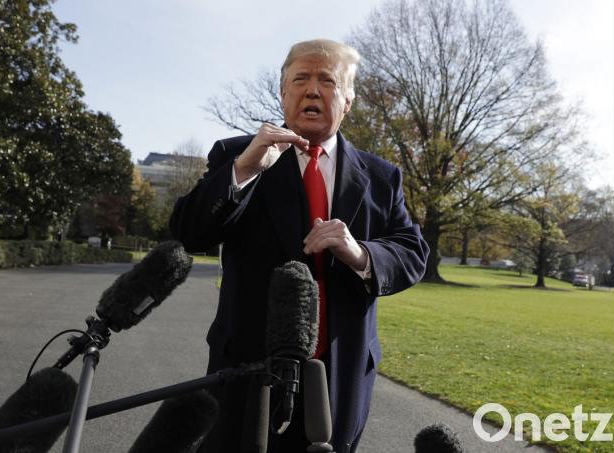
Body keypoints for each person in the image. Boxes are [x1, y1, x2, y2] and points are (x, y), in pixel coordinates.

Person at [170, 38, 429, 453]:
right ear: (283, 92)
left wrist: (360, 253)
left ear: (347, 100)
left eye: (327, 80)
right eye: (300, 79)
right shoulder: (239, 155)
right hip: (247, 370)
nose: (312, 90)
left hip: (340, 374)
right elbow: (189, 232)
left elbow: (412, 252)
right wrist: (243, 170)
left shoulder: (382, 176)